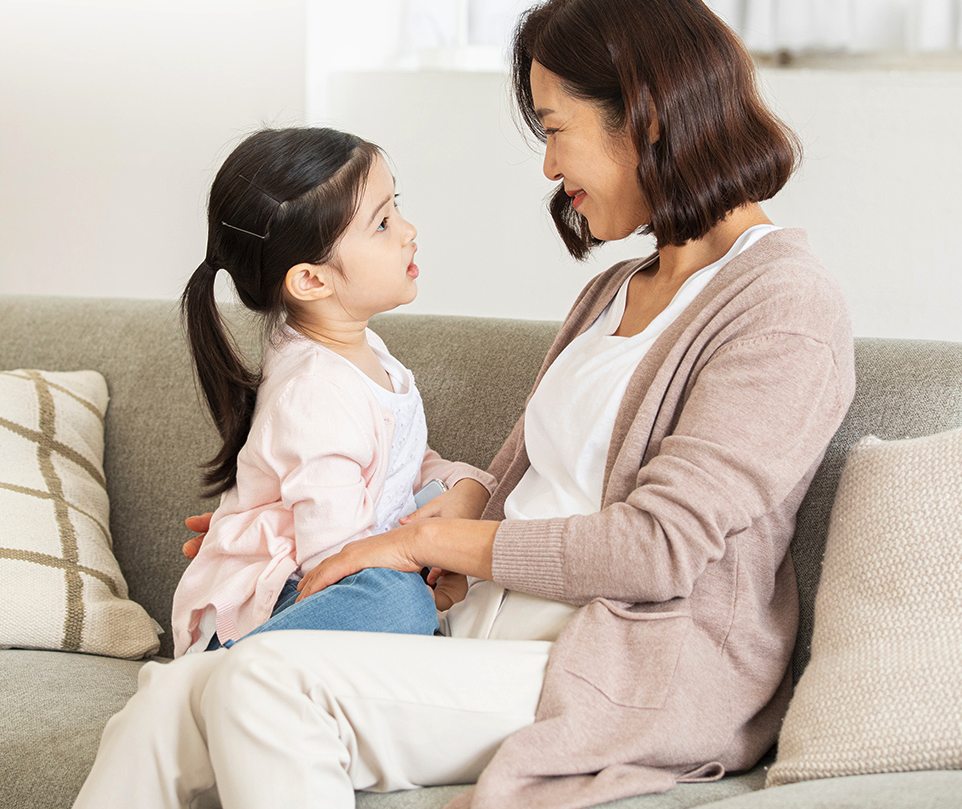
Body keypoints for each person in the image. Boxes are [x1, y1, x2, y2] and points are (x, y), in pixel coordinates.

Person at [73, 1, 856, 808]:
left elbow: (657, 548)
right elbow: (510, 484)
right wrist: (282, 525)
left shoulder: (784, 307)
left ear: (647, 118)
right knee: (164, 699)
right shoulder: (612, 292)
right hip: (477, 636)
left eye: (554, 128)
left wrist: (417, 541)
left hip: (618, 667)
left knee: (264, 682)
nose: (550, 168)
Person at [168, 126, 495, 657]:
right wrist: (424, 560)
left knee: (428, 591)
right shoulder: (315, 391)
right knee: (398, 601)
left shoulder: (362, 353)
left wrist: (467, 486)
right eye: (383, 223)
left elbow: (400, 462)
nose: (409, 231)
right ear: (313, 282)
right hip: (290, 595)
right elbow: (334, 559)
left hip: (333, 574)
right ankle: (213, 678)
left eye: (398, 209)